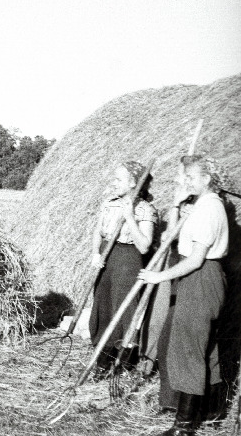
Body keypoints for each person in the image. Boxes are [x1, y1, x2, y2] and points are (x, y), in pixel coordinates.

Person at [139, 156, 230, 436]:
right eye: (184, 176)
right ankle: (212, 413)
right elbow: (175, 238)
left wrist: (158, 277)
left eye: (192, 177)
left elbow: (195, 259)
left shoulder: (209, 209)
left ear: (207, 179)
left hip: (201, 277)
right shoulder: (201, 205)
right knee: (204, 348)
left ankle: (184, 426)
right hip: (200, 279)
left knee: (187, 349)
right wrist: (177, 204)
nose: (185, 181)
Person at [89, 161, 157, 377]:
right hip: (106, 259)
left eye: (119, 179)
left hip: (128, 261)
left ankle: (122, 361)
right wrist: (95, 253)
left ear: (133, 183)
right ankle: (102, 358)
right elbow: (97, 232)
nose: (114, 183)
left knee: (123, 310)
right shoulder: (109, 203)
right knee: (103, 306)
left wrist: (130, 217)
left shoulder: (145, 209)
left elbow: (145, 245)